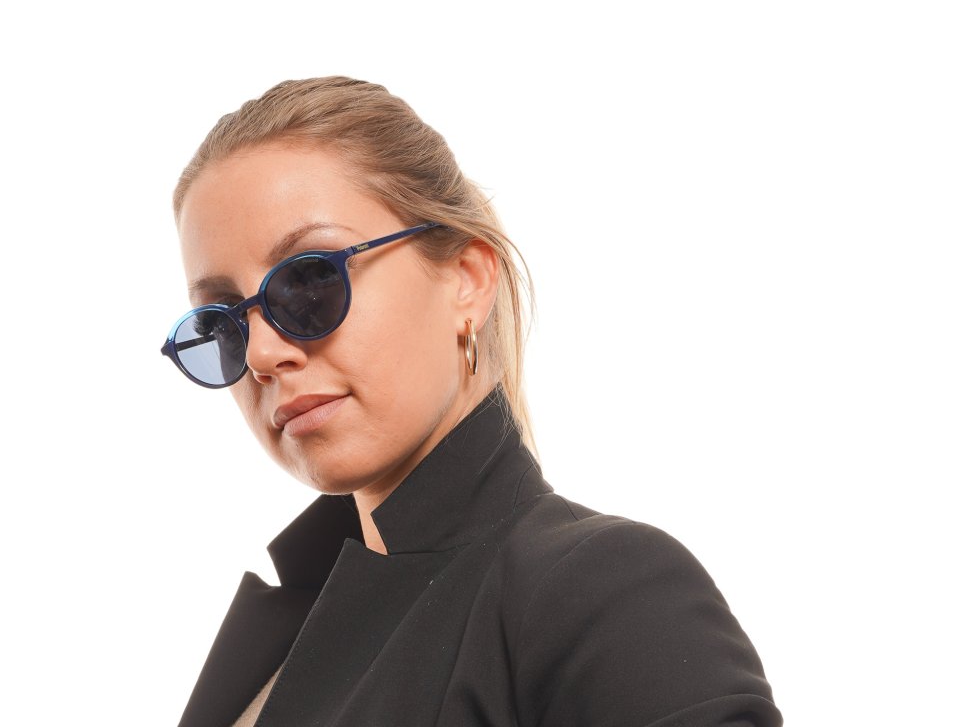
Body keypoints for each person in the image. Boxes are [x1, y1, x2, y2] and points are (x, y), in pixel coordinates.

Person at [161, 76, 783, 727]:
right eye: (221, 321)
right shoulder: (289, 635)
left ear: (467, 280)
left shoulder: (600, 589)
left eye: (309, 279)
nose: (262, 354)